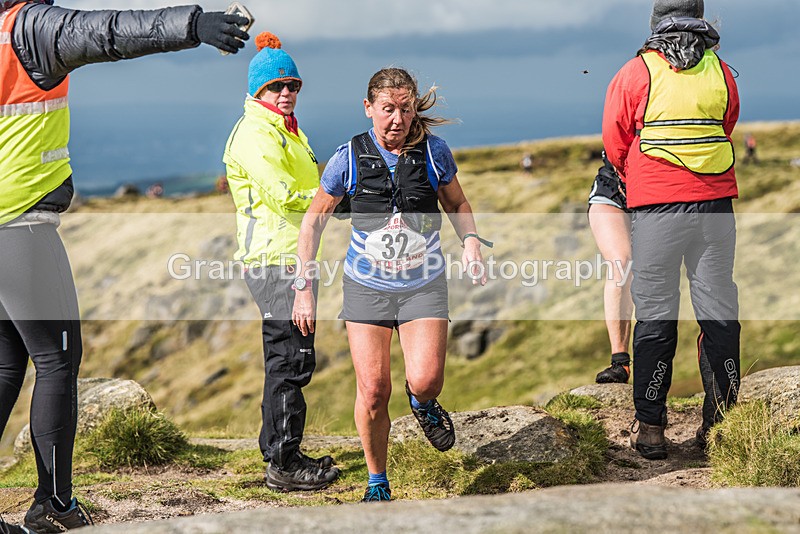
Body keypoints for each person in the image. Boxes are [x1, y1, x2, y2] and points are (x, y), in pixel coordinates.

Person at [0, 1, 250, 532]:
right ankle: (54, 505)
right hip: (19, 224)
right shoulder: (30, 28)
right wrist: (194, 24)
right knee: (58, 360)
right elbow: (109, 32)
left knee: (7, 365)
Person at [292, 68, 489, 502]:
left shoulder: (434, 153)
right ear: (369, 109)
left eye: (405, 108)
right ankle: (377, 481)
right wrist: (303, 287)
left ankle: (421, 404)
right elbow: (313, 222)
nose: (397, 119)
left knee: (426, 381)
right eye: (387, 109)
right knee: (374, 390)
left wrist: (471, 242)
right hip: (367, 287)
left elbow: (457, 202)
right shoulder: (348, 157)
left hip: (423, 286)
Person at [603, 0, 741, 460]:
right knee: (718, 313)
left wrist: (643, 178)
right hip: (716, 208)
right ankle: (720, 426)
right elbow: (727, 124)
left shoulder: (637, 71)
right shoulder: (721, 70)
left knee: (657, 314)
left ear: (654, 22)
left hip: (658, 209)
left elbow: (615, 140)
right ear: (702, 18)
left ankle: (651, 428)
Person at [222, 32, 341, 492]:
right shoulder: (256, 133)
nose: (286, 92)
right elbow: (287, 195)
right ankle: (284, 465)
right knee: (290, 359)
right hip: (276, 263)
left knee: (290, 356)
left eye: (293, 84)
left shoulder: (284, 128)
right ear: (258, 92)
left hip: (291, 259)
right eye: (276, 86)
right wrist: (340, 197)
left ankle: (280, 447)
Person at [588, 152, 633, 384]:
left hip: (662, 190)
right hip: (613, 189)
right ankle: (620, 363)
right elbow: (614, 140)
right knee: (621, 264)